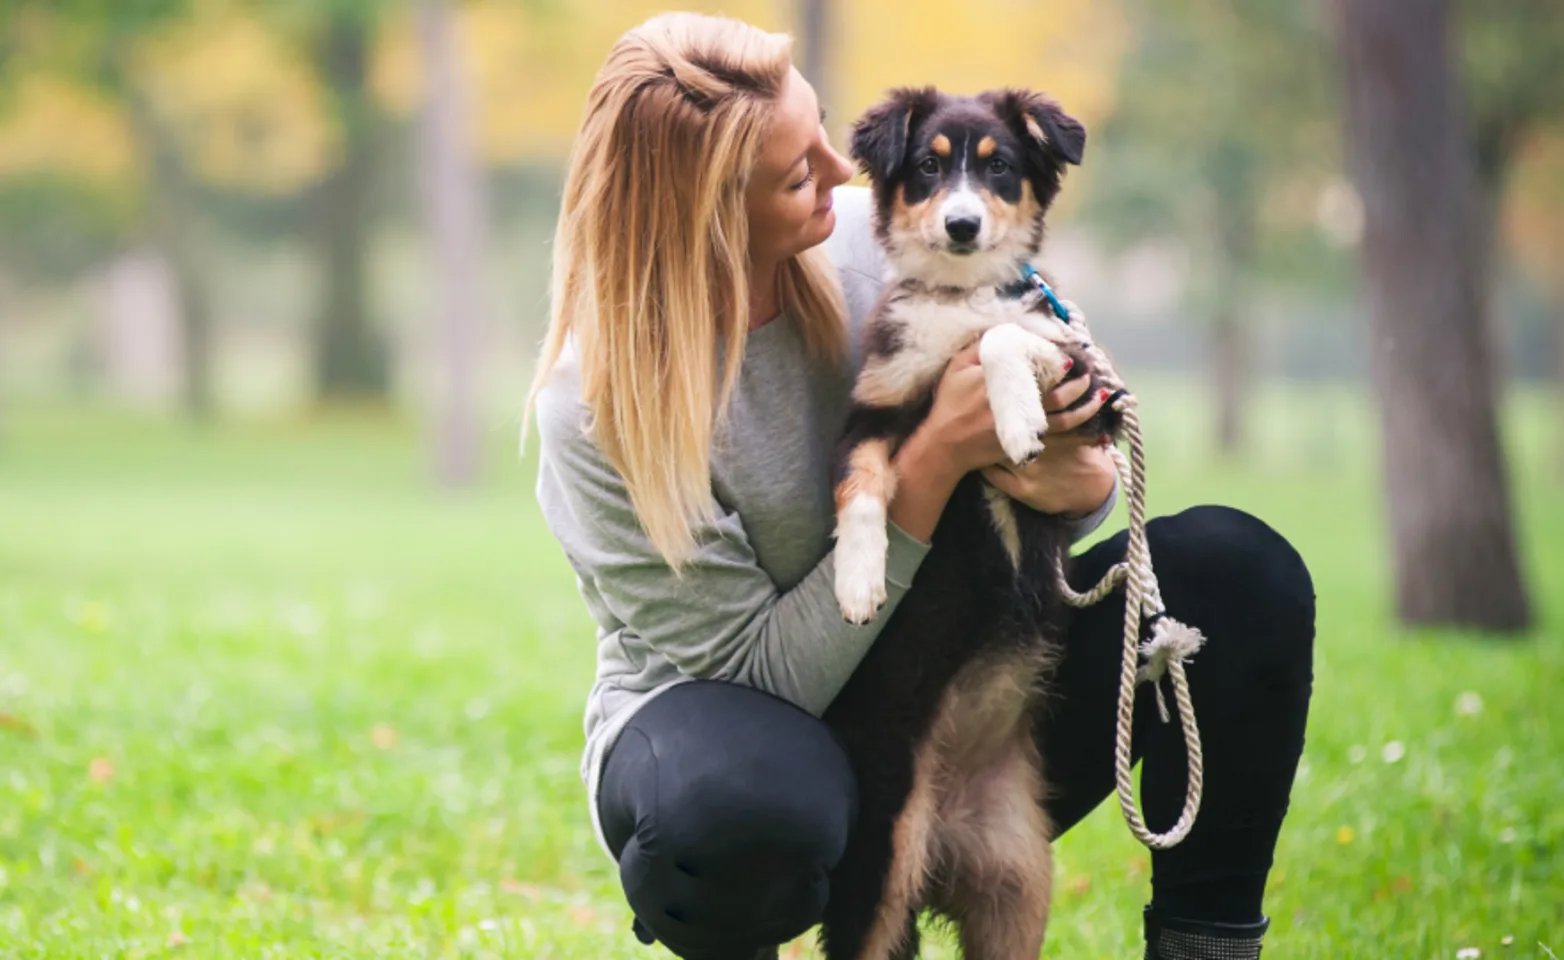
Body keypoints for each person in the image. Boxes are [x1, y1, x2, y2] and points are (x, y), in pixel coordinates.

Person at [527, 12, 1315, 960]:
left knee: (1238, 573)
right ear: (706, 215)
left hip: (980, 678)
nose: (842, 172)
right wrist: (937, 454)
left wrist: (1063, 457)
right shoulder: (596, 402)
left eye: (821, 129)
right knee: (742, 808)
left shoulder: (899, 233)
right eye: (794, 172)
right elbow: (760, 678)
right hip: (760, 734)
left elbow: (1094, 481)